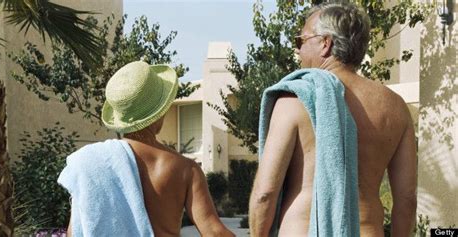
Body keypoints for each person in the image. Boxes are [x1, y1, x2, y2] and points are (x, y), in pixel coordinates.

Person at [249, 3, 417, 237]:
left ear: (325, 43)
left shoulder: (294, 98)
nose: (297, 50)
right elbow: (407, 200)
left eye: (301, 41)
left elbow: (265, 193)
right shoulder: (395, 107)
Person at [58, 61, 234, 237]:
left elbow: (75, 232)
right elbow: (215, 232)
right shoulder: (185, 169)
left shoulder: (90, 165)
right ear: (158, 112)